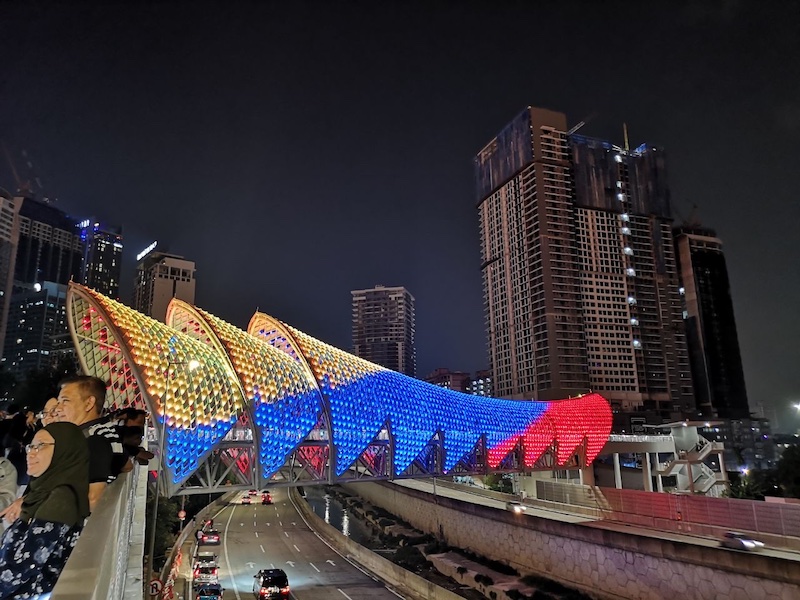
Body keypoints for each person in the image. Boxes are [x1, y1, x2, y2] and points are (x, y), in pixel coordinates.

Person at [0, 422, 90, 598]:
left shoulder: (61, 498)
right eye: (31, 446)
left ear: (64, 450)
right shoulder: (41, 491)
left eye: (40, 445)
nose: (31, 453)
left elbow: (25, 565)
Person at [53, 375, 125, 511]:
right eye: (58, 402)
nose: (57, 408)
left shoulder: (95, 439)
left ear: (89, 403)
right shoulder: (102, 431)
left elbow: (93, 498)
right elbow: (126, 465)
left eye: (65, 401)